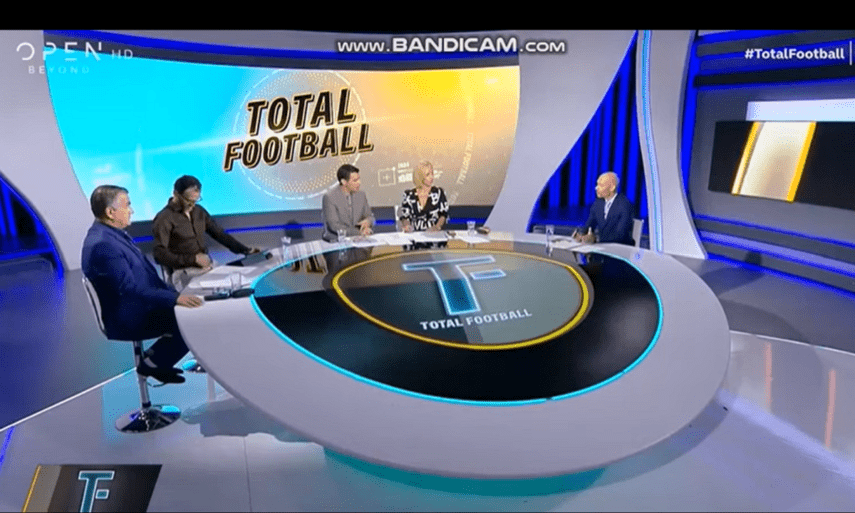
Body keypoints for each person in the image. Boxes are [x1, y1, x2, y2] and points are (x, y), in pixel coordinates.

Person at [82, 185, 204, 384]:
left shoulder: (110, 234)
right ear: (110, 212)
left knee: (193, 308)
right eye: (127, 205)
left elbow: (146, 277)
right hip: (129, 315)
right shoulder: (103, 244)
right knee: (193, 317)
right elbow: (129, 290)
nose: (132, 210)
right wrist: (174, 299)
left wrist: (175, 295)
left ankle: (156, 359)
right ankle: (154, 362)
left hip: (138, 303)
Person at [153, 175, 259, 290]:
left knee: (242, 282)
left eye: (195, 200)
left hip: (208, 267)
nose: (192, 205)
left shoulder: (199, 212)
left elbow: (219, 234)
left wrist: (245, 250)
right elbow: (159, 255)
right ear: (176, 194)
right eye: (188, 201)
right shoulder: (164, 218)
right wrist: (193, 259)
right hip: (184, 272)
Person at [574, 172, 635, 245]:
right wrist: (581, 234)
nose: (596, 188)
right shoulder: (598, 203)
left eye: (601, 185)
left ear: (612, 187)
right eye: (597, 185)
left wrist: (596, 238)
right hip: (602, 247)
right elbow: (589, 225)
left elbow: (620, 235)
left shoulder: (625, 205)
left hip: (620, 248)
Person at [322, 164, 375, 242]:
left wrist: (367, 223)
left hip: (360, 240)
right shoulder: (329, 197)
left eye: (359, 179)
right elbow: (334, 226)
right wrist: (359, 232)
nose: (359, 182)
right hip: (336, 241)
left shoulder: (361, 194)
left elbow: (369, 216)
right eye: (355, 180)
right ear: (344, 182)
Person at [399, 161, 449, 232]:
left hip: (435, 235)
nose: (431, 177)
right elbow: (405, 217)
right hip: (415, 235)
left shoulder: (439, 192)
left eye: (432, 173)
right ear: (420, 176)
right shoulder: (409, 195)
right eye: (428, 174)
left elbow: (443, 215)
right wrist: (407, 226)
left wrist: (437, 227)